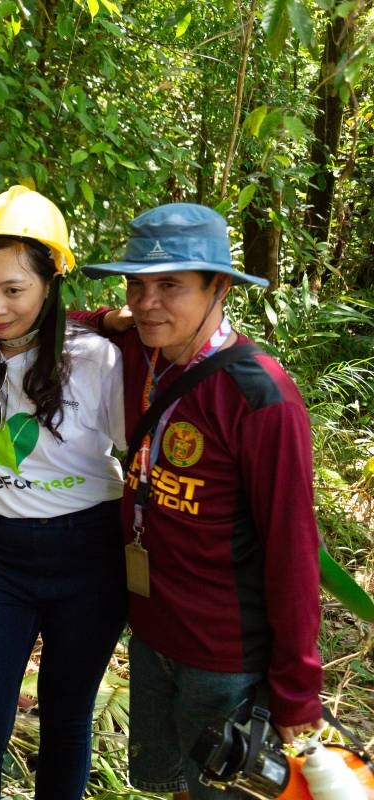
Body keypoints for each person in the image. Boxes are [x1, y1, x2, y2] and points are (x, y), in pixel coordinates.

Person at [80, 203, 323, 799]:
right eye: (136, 285)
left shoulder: (261, 397)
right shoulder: (143, 355)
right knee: (179, 789)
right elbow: (58, 318)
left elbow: (292, 554)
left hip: (225, 656)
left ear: (219, 288)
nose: (147, 302)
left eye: (171, 285)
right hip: (155, 633)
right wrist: (110, 318)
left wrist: (297, 690)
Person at [0, 186, 127, 798]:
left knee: (65, 720)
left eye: (15, 289)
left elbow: (143, 449)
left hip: (89, 556)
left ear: (50, 286)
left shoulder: (97, 360)